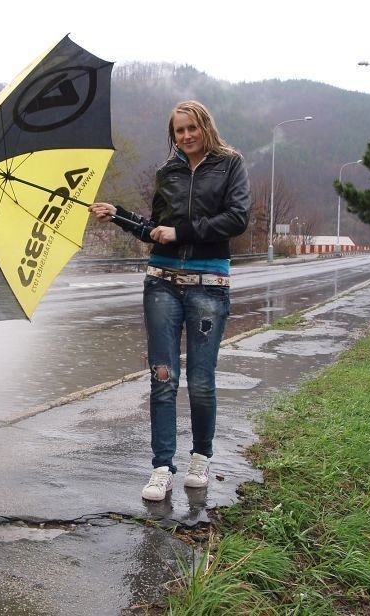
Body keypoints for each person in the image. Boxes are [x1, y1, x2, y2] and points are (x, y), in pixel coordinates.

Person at [89, 100, 251, 501]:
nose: (187, 136)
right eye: (179, 130)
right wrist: (120, 215)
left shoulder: (230, 164)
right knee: (163, 378)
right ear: (173, 135)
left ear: (205, 126)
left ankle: (201, 456)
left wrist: (181, 233)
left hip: (208, 283)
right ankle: (162, 466)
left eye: (192, 127)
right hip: (161, 282)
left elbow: (236, 219)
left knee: (200, 379)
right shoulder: (168, 172)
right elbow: (155, 229)